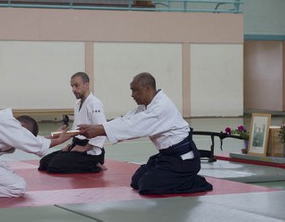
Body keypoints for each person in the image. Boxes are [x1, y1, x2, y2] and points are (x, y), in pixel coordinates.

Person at [78, 72, 213, 195]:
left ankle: (194, 181)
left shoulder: (160, 108)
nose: (132, 95)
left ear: (147, 88)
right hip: (167, 157)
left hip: (183, 160)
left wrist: (99, 130)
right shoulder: (146, 106)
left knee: (148, 186)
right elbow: (127, 119)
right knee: (137, 181)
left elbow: (134, 126)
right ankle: (173, 176)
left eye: (135, 90)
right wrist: (98, 127)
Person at [38, 72, 107, 173]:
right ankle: (89, 162)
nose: (73, 89)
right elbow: (77, 130)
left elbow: (102, 130)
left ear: (86, 84)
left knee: (54, 166)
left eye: (76, 85)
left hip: (90, 150)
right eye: (72, 86)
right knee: (44, 163)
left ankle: (94, 164)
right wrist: (71, 145)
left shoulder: (94, 103)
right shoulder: (78, 103)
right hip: (77, 146)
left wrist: (85, 148)